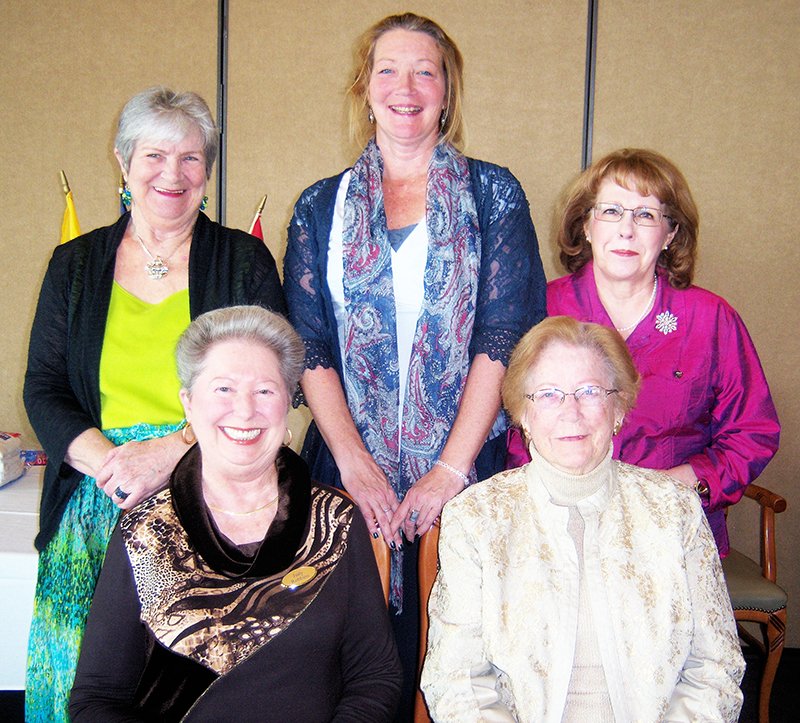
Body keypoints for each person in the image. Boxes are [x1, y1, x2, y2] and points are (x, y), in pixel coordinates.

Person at [283, 13, 545, 714]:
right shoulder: (320, 206)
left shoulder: (493, 195)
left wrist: (450, 469)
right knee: (349, 664)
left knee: (463, 663)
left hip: (467, 468)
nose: (407, 87)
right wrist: (355, 463)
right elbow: (310, 347)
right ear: (364, 88)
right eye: (388, 70)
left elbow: (503, 335)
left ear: (447, 93)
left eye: (425, 71)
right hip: (345, 468)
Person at [23, 87, 286, 721]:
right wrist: (112, 465)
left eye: (192, 159)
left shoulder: (242, 261)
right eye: (154, 155)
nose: (173, 174)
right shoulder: (75, 265)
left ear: (208, 171)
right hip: (98, 498)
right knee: (87, 681)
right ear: (122, 161)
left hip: (215, 491)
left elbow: (278, 377)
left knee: (194, 680)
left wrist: (171, 455)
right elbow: (44, 385)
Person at [68, 306, 401, 721]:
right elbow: (96, 701)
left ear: (287, 404)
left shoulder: (334, 520)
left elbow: (376, 678)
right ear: (188, 405)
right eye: (223, 389)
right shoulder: (147, 530)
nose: (245, 411)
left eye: (265, 391)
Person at [422, 316, 745, 721]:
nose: (570, 412)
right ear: (523, 413)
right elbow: (457, 681)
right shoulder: (476, 518)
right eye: (549, 394)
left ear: (618, 408)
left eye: (589, 392)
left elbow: (716, 669)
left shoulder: (674, 510)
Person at [507, 147, 779, 556]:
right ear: (585, 224)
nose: (627, 230)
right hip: (559, 530)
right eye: (612, 211)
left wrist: (690, 480)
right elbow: (511, 427)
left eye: (646, 214)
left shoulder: (711, 319)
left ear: (670, 233)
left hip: (672, 530)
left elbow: (751, 432)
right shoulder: (539, 309)